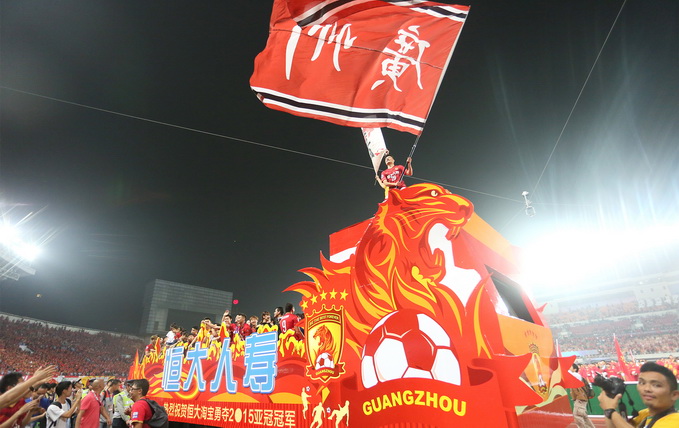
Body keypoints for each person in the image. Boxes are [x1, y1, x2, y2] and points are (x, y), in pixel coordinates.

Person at [598, 361, 679, 427]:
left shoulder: (675, 420)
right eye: (642, 382)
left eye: (656, 385)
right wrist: (608, 401)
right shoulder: (645, 414)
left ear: (674, 395)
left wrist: (610, 411)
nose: (646, 389)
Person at [569, 364, 594, 428]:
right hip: (581, 398)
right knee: (583, 416)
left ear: (575, 369)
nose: (568, 368)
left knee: (578, 415)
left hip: (580, 399)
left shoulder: (576, 375)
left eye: (570, 367)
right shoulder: (576, 376)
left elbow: (567, 373)